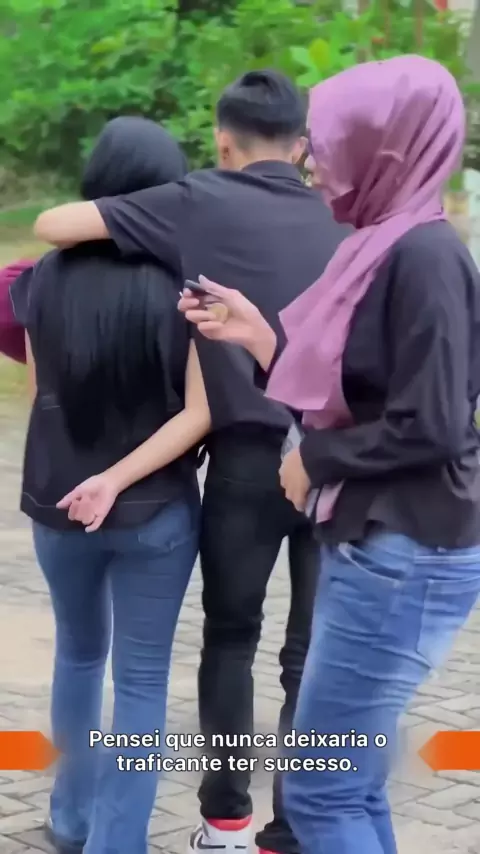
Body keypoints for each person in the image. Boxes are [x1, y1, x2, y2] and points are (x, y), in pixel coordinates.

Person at [32, 70, 348, 854]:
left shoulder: (192, 204)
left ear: (222, 140)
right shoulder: (345, 215)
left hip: (222, 467)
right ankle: (290, 828)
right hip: (335, 459)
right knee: (307, 655)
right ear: (302, 145)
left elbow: (52, 231)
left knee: (215, 641)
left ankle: (212, 823)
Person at [178, 55, 480, 854]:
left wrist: (317, 461)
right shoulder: (380, 245)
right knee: (346, 783)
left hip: (406, 549)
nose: (313, 161)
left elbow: (434, 425)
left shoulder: (425, 258)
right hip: (381, 542)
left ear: (386, 148)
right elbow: (356, 391)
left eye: (330, 141)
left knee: (322, 789)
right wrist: (258, 337)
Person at [10, 117, 210, 854]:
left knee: (77, 656)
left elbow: (42, 397)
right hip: (155, 512)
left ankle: (69, 820)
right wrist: (120, 477)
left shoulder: (40, 279)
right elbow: (201, 412)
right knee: (141, 680)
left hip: (60, 505)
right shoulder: (189, 284)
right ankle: (117, 841)